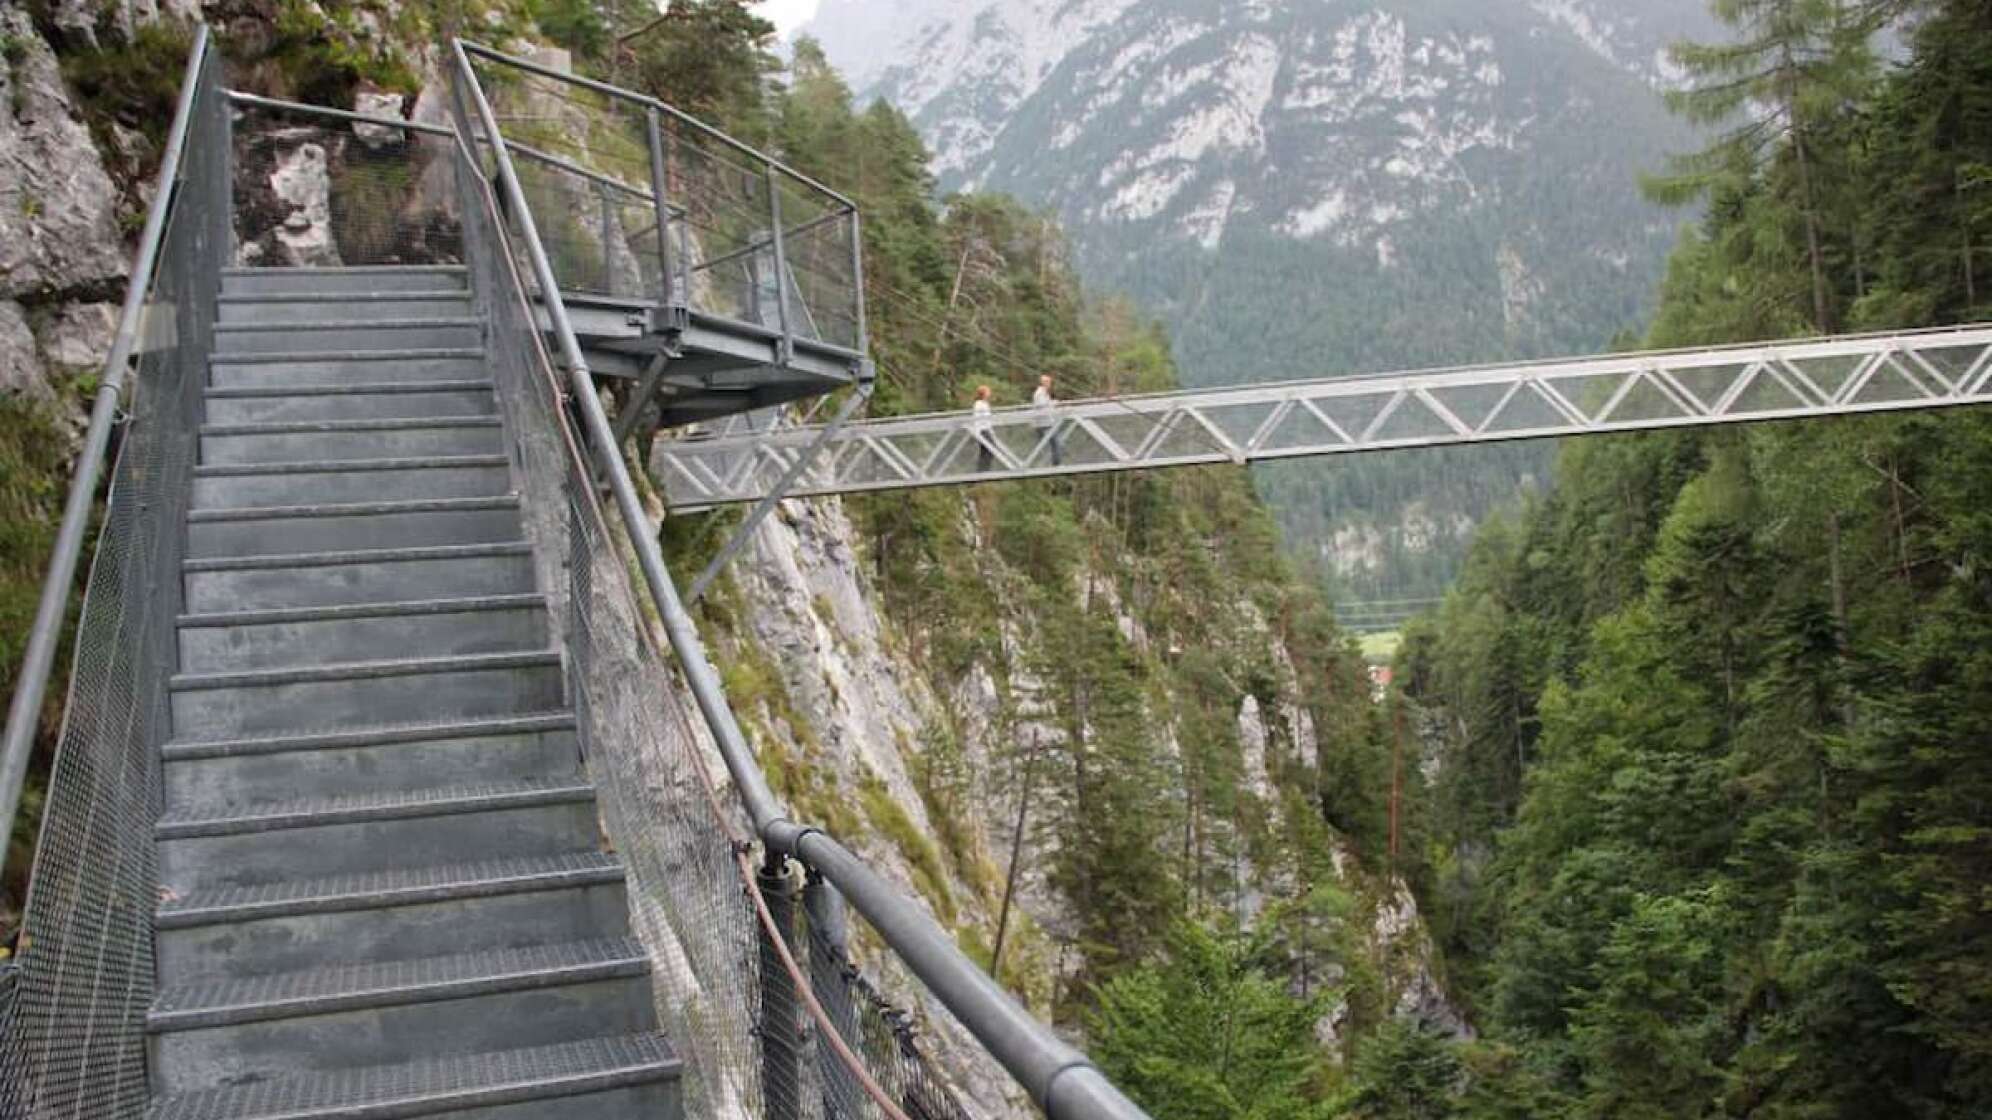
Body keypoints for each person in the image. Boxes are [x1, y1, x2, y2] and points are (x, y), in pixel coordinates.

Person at [1031, 374, 1061, 466]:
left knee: (1048, 444)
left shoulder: (1043, 393)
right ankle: (1055, 464)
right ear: (1044, 383)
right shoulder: (1040, 393)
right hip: (1044, 423)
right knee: (1055, 443)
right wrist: (1053, 403)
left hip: (1045, 422)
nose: (1050, 384)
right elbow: (1041, 405)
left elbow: (1044, 404)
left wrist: (1051, 403)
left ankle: (1051, 463)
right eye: (1048, 382)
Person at [970, 384, 996, 473]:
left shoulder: (985, 404)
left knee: (986, 451)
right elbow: (976, 418)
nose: (990, 393)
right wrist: (977, 432)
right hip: (982, 430)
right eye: (988, 392)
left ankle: (982, 471)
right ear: (983, 394)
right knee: (990, 450)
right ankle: (982, 471)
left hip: (986, 429)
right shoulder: (978, 404)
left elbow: (988, 419)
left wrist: (992, 431)